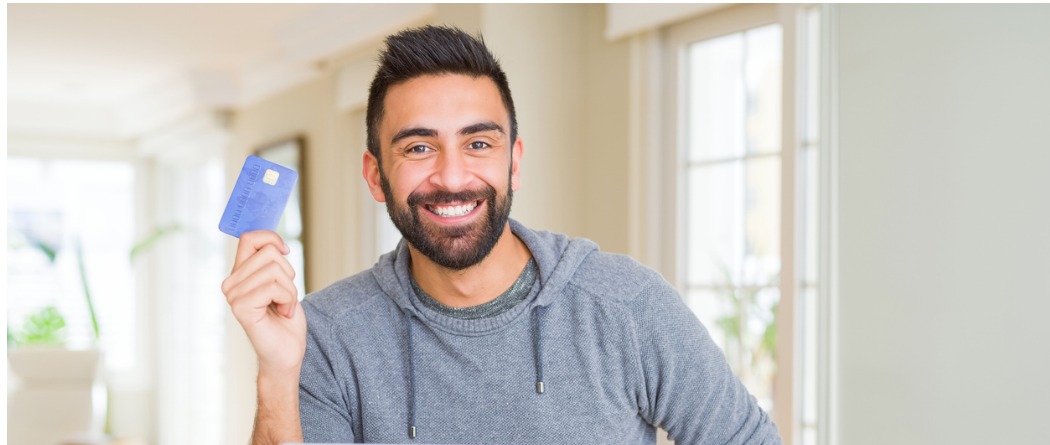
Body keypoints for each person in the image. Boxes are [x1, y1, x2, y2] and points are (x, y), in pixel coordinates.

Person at [221, 25, 782, 445]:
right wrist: (276, 371)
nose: (452, 176)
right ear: (375, 175)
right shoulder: (325, 337)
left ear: (514, 163)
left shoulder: (626, 305)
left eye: (479, 143)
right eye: (418, 147)